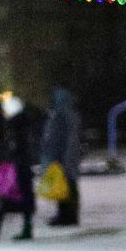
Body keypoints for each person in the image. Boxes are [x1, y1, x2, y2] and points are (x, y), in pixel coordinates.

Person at [0, 94, 37, 241]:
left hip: (12, 167)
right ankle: (25, 228)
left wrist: (4, 158)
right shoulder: (24, 123)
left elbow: (12, 146)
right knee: (23, 198)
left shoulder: (13, 125)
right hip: (21, 166)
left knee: (2, 196)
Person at [40, 86, 82, 225]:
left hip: (63, 158)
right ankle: (68, 215)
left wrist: (57, 158)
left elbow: (57, 140)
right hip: (68, 157)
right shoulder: (70, 115)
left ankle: (66, 216)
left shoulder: (60, 117)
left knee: (65, 187)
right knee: (67, 186)